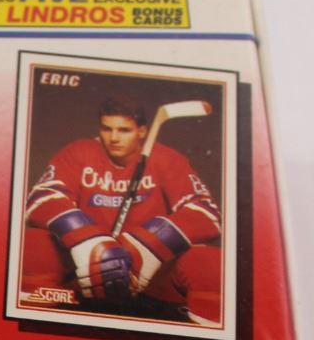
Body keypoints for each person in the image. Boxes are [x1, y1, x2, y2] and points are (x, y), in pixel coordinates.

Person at [20, 96, 222, 325]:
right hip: (85, 269)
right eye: (107, 129)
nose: (114, 138)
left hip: (148, 276)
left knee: (209, 266)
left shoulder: (167, 159)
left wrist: (147, 245)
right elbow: (41, 198)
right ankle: (30, 334)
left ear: (142, 131)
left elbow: (206, 213)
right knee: (32, 247)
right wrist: (89, 241)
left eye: (124, 130)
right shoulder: (78, 152)